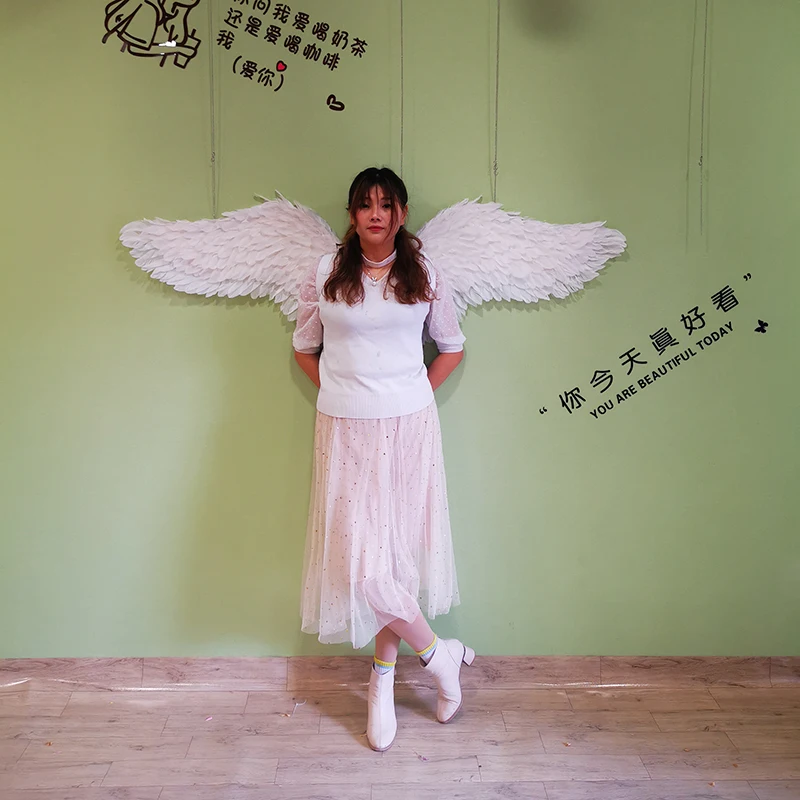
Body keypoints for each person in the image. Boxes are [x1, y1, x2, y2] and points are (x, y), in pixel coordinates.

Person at [292, 166, 474, 752]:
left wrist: (411, 392)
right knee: (360, 565)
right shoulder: (326, 271)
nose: (376, 213)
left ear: (401, 213)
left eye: (387, 204)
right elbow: (303, 347)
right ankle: (440, 657)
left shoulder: (424, 272)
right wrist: (340, 393)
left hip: (408, 427)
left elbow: (451, 347)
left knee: (392, 561)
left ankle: (383, 680)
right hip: (344, 428)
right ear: (352, 214)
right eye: (366, 204)